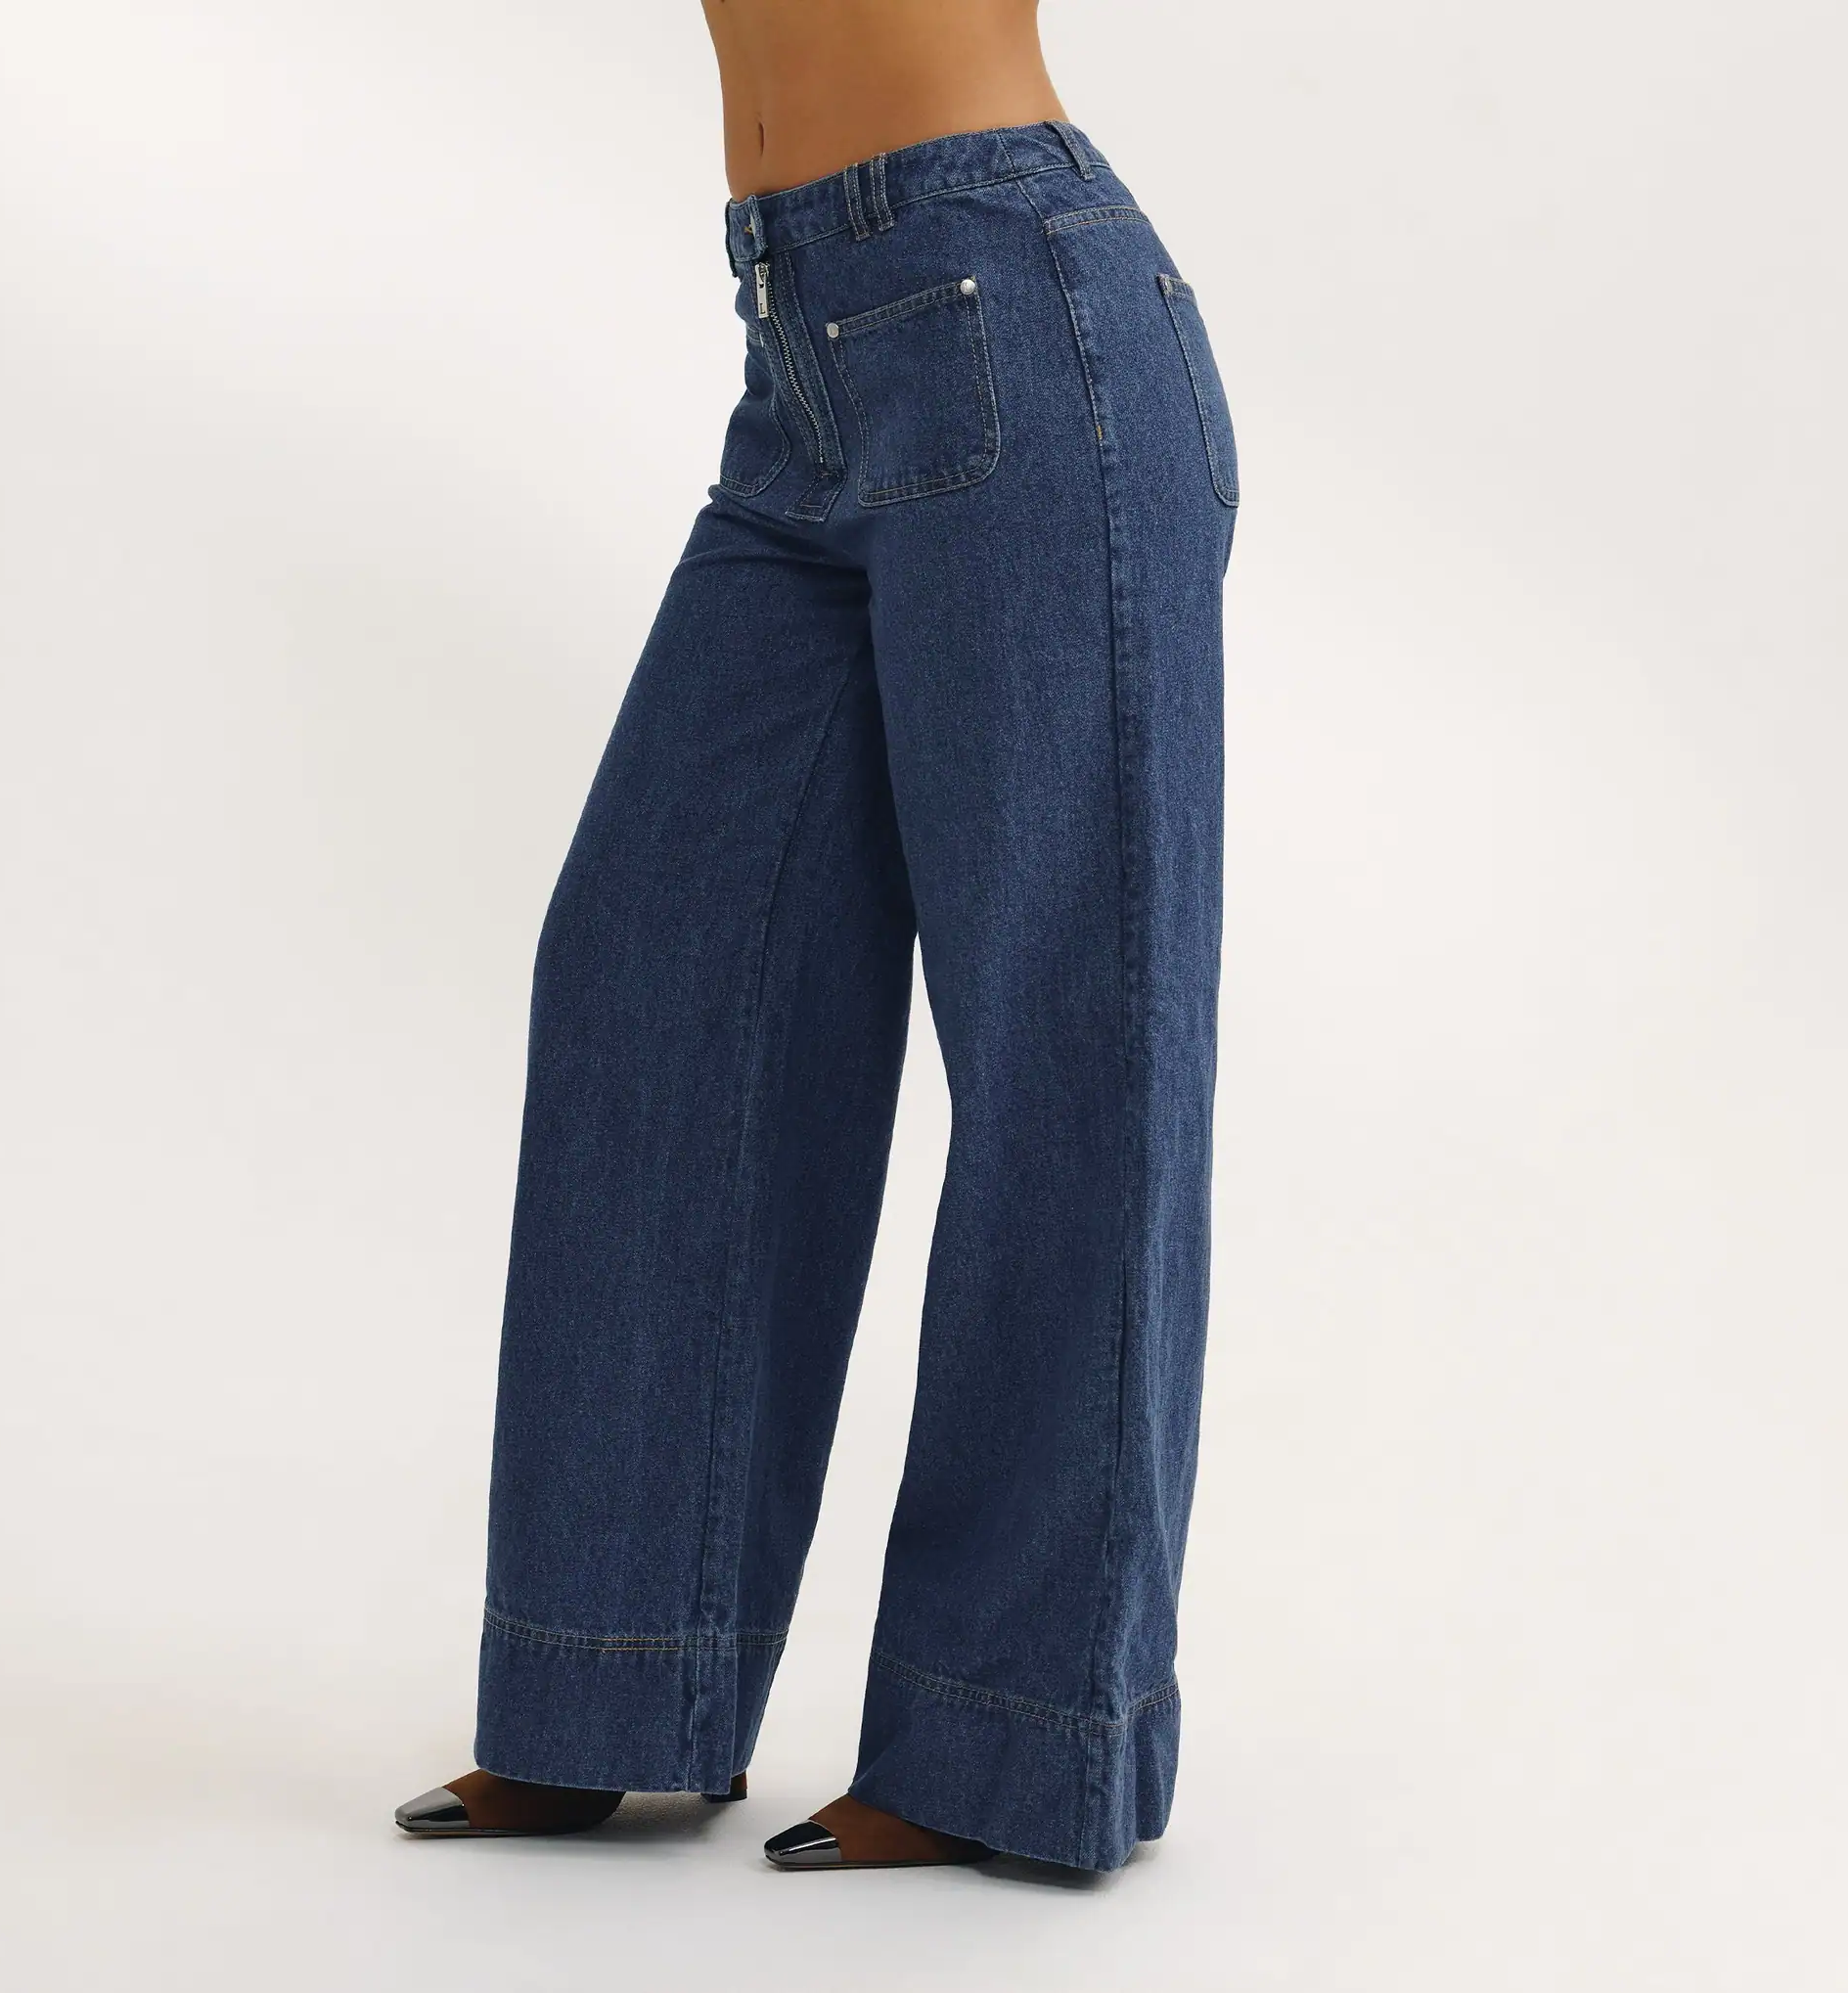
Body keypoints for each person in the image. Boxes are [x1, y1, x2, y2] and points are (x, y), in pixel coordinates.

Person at [394, 0, 1238, 1873]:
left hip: (1020, 314)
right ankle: (609, 1677)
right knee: (653, 982)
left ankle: (1013, 1736)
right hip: (804, 358)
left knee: (1068, 1059)